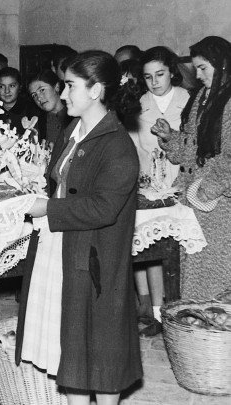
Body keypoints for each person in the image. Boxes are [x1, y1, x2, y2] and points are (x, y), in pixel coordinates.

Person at [16, 51, 142, 405]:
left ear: (96, 90)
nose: (64, 93)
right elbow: (58, 180)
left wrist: (48, 208)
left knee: (101, 348)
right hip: (64, 247)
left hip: (96, 257)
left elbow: (103, 207)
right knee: (70, 343)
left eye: (71, 86)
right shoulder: (73, 130)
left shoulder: (118, 145)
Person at [151, 36, 231, 299]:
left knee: (218, 273)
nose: (197, 75)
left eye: (203, 68)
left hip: (219, 205)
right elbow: (192, 152)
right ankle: (197, 331)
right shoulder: (201, 98)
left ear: (222, 65)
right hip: (195, 200)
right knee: (194, 270)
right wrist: (170, 137)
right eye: (195, 68)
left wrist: (208, 189)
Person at [129, 47, 190, 336]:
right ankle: (155, 312)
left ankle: (178, 309)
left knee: (179, 251)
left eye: (160, 74)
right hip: (149, 188)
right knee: (151, 249)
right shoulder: (138, 104)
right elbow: (132, 147)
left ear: (172, 72)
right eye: (148, 76)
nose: (155, 81)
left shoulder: (187, 100)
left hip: (180, 186)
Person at [0, 67, 41, 135]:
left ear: (20, 87)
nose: (7, 91)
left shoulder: (32, 110)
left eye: (12, 86)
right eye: (2, 86)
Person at [28, 69, 73, 145]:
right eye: (34, 95)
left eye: (42, 90)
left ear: (57, 87)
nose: (39, 98)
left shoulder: (75, 116)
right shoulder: (37, 123)